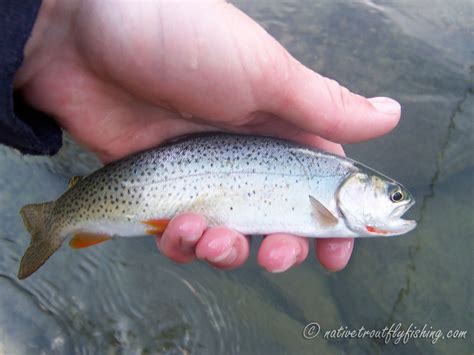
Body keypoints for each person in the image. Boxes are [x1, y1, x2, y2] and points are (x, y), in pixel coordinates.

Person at [2, 0, 401, 273]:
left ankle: (56, 218)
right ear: (358, 186)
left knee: (188, 232)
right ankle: (56, 219)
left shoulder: (331, 183)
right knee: (183, 231)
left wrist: (53, 28)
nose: (396, 201)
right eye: (392, 195)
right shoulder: (331, 188)